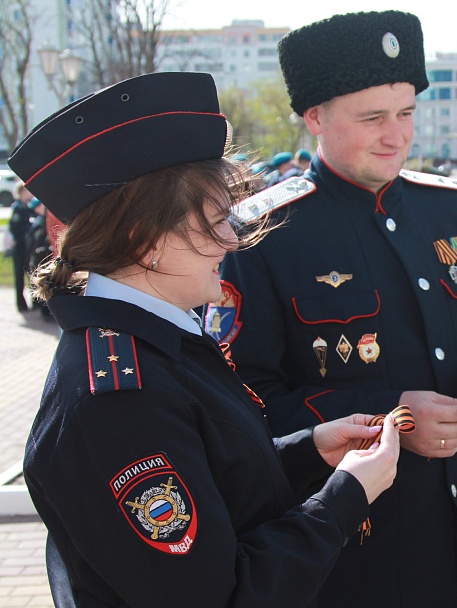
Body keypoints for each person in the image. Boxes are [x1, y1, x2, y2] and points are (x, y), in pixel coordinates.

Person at [11, 71, 401, 607]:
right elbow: (221, 595)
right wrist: (344, 498)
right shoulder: (122, 400)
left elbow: (214, 482)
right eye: (215, 221)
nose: (232, 240)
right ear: (144, 240)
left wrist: (309, 451)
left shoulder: (152, 340)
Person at [206, 11, 457, 608]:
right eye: (373, 118)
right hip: (353, 554)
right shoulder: (263, 235)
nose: (397, 135)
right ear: (314, 118)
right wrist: (392, 416)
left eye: (407, 113)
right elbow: (242, 399)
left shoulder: (453, 213)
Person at [8, 182, 36, 312]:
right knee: (19, 276)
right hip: (20, 247)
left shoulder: (29, 207)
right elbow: (14, 228)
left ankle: (35, 301)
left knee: (31, 275)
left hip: (28, 247)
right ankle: (21, 304)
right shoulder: (18, 208)